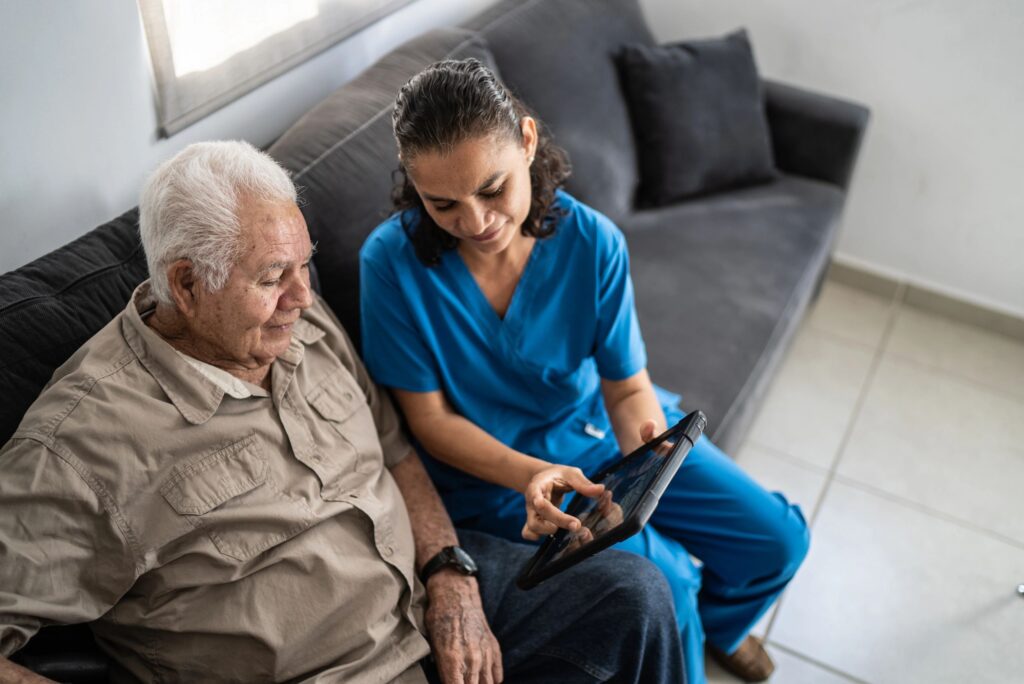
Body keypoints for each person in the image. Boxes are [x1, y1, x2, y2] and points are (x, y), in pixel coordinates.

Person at [0, 141, 686, 684]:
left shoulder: (295, 321)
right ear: (185, 283)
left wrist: (450, 574)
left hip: (423, 587)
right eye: (273, 278)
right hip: (328, 669)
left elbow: (395, 452)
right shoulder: (82, 444)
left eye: (306, 266)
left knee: (634, 596)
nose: (304, 297)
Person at [359, 59, 811, 684]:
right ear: (415, 186)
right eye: (443, 204)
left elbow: (627, 387)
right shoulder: (390, 264)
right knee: (667, 585)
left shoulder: (593, 242)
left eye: (492, 190)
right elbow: (429, 422)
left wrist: (645, 459)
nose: (475, 221)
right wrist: (533, 473)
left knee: (777, 541)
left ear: (526, 140)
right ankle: (686, 644)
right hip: (498, 472)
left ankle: (717, 630)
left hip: (599, 428)